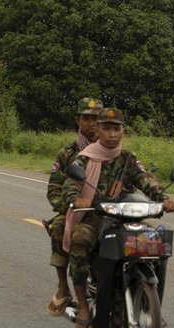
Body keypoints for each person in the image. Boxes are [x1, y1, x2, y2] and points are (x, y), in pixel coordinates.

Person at [60, 108, 174, 328]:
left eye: (116, 129)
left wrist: (164, 199)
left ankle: (152, 306)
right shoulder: (84, 158)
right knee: (80, 240)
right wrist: (77, 199)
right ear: (98, 130)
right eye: (107, 128)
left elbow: (146, 180)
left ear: (123, 131)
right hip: (95, 217)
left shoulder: (128, 159)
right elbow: (71, 185)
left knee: (157, 240)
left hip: (125, 218)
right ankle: (83, 306)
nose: (112, 134)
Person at [44, 98, 103, 317]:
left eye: (97, 118)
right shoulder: (67, 154)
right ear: (78, 120)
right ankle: (63, 288)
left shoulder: (114, 150)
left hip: (108, 212)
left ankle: (145, 299)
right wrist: (69, 207)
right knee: (60, 227)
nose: (92, 123)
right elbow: (54, 189)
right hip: (76, 212)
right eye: (87, 118)